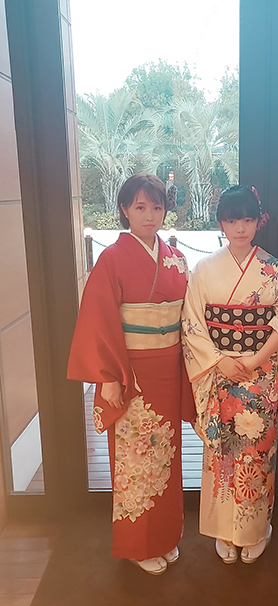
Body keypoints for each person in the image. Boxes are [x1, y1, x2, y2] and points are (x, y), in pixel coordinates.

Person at [68, 173, 195, 575]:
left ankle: (165, 536)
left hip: (168, 369)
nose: (150, 216)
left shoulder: (175, 258)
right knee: (136, 458)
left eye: (157, 207)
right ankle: (139, 545)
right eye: (140, 207)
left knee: (167, 456)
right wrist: (108, 376)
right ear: (125, 209)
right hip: (132, 374)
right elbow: (98, 319)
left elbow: (188, 316)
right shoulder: (112, 258)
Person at [182, 185, 278, 564]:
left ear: (258, 222)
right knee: (221, 453)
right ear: (221, 223)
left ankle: (254, 530)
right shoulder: (204, 269)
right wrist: (219, 361)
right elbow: (192, 323)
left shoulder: (273, 268)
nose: (240, 228)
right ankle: (223, 530)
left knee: (257, 452)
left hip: (260, 374)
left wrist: (253, 360)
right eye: (232, 220)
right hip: (219, 372)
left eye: (247, 220)